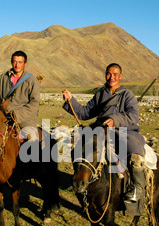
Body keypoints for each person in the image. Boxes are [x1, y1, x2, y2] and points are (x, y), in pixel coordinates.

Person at [62, 63, 146, 203]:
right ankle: (80, 179)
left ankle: (137, 188)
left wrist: (114, 120)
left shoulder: (127, 95)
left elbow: (133, 116)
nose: (111, 77)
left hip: (124, 131)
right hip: (102, 132)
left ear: (120, 76)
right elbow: (85, 112)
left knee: (135, 152)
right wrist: (71, 100)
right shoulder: (101, 94)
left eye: (115, 74)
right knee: (80, 150)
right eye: (108, 73)